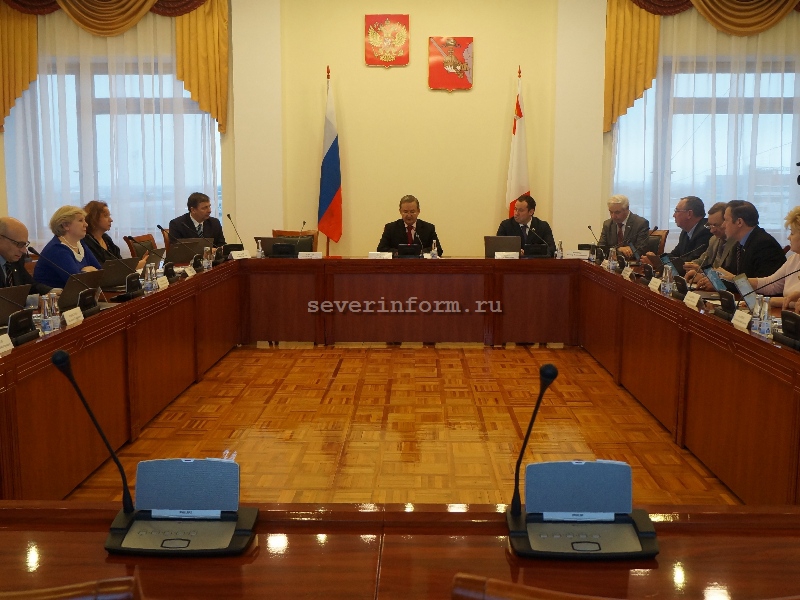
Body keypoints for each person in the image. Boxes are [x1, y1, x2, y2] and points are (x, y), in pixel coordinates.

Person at [33, 206, 101, 289]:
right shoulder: (57, 249)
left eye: (84, 220)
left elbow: (100, 273)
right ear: (65, 225)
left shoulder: (81, 244)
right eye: (80, 220)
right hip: (56, 296)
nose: (86, 224)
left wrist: (85, 272)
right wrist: (88, 270)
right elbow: (77, 282)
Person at [746, 206, 799, 311]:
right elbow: (772, 284)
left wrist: (769, 301)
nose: (789, 237)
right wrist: (736, 280)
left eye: (792, 233)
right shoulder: (794, 259)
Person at [641, 196, 712, 274]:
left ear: (689, 214)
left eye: (677, 211)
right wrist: (656, 259)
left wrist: (657, 263)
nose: (674, 215)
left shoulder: (706, 231)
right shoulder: (685, 231)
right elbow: (675, 254)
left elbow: (690, 262)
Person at [715, 200, 785, 279]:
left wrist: (730, 279)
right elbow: (731, 275)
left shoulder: (765, 246)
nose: (723, 225)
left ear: (739, 222)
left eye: (726, 220)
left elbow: (763, 284)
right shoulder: (738, 245)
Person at [685, 202, 737, 289]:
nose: (712, 231)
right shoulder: (714, 239)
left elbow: (727, 273)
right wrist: (692, 266)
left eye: (716, 225)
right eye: (710, 225)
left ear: (726, 222)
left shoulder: (737, 243)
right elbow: (703, 260)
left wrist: (703, 273)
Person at [377, 195, 444, 255]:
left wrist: (420, 252)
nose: (409, 215)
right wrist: (398, 252)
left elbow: (438, 249)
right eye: (405, 212)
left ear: (418, 211)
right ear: (400, 211)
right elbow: (381, 249)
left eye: (412, 212)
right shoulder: (390, 228)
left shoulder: (428, 228)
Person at [0, 217, 52, 295]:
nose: (24, 250)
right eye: (19, 244)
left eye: (25, 244)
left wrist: (51, 291)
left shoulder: (16, 259)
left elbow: (30, 286)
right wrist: (33, 299)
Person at [597, 194, 650, 259]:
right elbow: (601, 249)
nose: (613, 216)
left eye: (617, 212)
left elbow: (640, 251)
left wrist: (614, 252)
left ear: (627, 209)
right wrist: (618, 249)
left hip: (632, 263)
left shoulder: (641, 224)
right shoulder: (607, 224)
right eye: (611, 212)